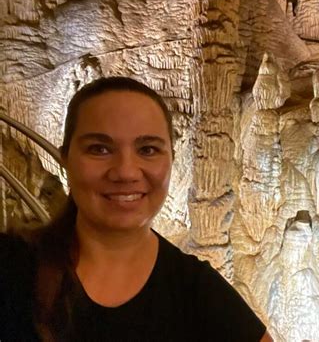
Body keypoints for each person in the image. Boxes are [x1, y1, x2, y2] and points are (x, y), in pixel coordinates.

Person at [0, 77, 273, 341]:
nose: (125, 172)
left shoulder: (197, 291)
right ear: (65, 160)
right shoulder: (13, 266)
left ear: (171, 161)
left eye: (148, 149)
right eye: (99, 149)